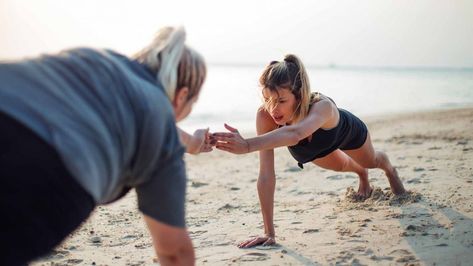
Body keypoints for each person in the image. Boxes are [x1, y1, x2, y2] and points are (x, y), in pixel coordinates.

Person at [0, 26, 207, 265]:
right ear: (182, 96)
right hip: (51, 173)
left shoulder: (93, 58)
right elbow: (174, 253)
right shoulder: (160, 122)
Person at [213, 54, 406, 248]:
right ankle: (362, 176)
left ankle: (390, 171)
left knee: (371, 161)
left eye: (281, 101)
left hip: (347, 133)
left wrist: (246, 145)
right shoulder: (265, 116)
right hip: (313, 149)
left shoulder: (323, 107)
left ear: (300, 94)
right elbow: (266, 175)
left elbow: (296, 133)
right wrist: (269, 233)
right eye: (267, 99)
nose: (273, 109)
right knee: (344, 166)